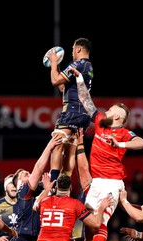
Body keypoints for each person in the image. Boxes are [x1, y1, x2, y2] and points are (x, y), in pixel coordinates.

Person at [69, 67, 143, 241]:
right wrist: (79, 79)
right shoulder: (100, 123)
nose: (108, 110)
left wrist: (120, 144)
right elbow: (87, 102)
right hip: (96, 183)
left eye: (112, 109)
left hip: (113, 184)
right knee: (88, 220)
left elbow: (142, 143)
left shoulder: (123, 133)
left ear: (118, 117)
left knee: (101, 221)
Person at [31, 171, 113, 241]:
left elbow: (34, 206)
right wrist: (102, 207)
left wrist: (46, 190)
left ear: (56, 188)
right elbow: (96, 224)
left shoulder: (44, 201)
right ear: (70, 188)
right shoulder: (75, 204)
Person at [7, 134, 63, 241]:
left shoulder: (43, 188)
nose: (29, 174)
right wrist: (50, 145)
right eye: (25, 175)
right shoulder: (22, 193)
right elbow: (38, 169)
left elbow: (55, 170)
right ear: (20, 184)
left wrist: (60, 144)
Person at [46, 37, 94, 183]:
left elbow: (55, 81)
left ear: (78, 49)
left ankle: (53, 183)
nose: (72, 51)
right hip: (83, 114)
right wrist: (58, 68)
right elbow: (62, 87)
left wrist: (53, 62)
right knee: (70, 149)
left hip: (72, 111)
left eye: (73, 48)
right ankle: (64, 184)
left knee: (57, 143)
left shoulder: (78, 63)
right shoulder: (87, 67)